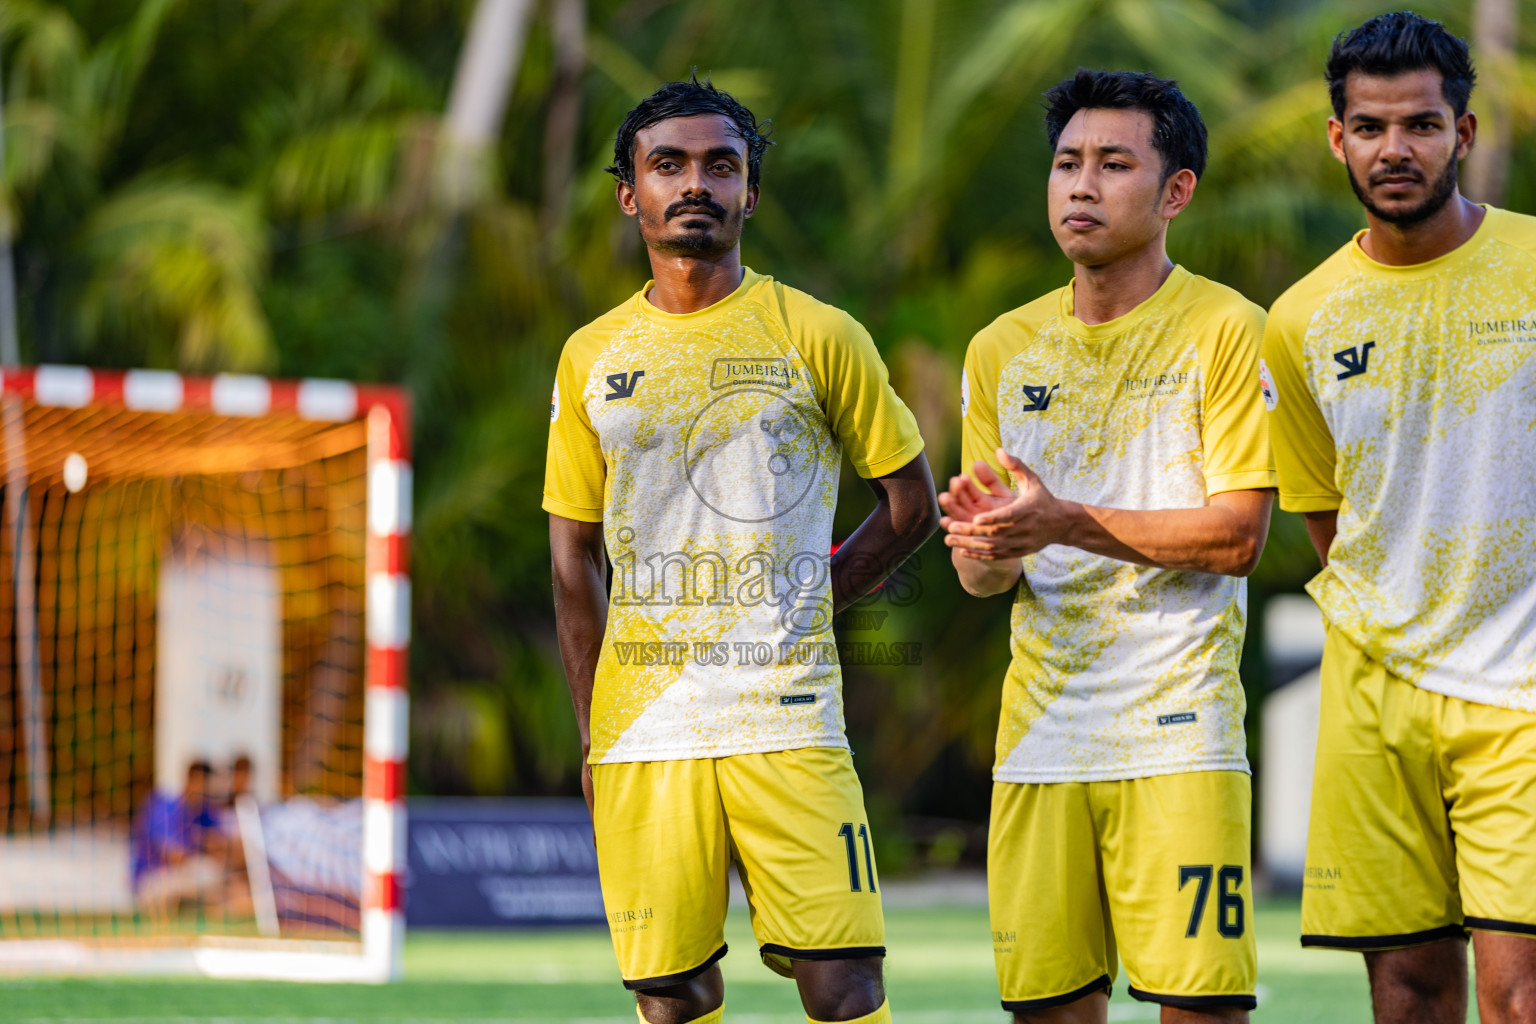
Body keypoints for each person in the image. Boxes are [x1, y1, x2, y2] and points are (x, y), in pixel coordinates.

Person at [545, 73, 938, 1024]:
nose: (695, 183)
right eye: (667, 164)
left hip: (788, 716)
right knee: (671, 993)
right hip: (646, 725)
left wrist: (818, 592)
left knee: (844, 983)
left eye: (721, 166)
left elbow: (911, 503)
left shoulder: (819, 333)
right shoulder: (590, 356)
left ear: (749, 193)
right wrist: (596, 732)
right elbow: (571, 560)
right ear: (627, 192)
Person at [941, 69, 1275, 1023]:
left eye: (1113, 163)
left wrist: (1061, 521)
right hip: (1039, 742)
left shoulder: (1226, 329)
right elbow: (980, 572)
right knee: (1047, 1011)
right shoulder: (1000, 348)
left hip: (1180, 737)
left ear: (1176, 192)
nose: (1080, 186)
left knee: (1199, 1011)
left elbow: (1238, 537)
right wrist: (994, 544)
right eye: (1066, 163)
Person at [1263, 13, 1536, 1024]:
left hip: (1522, 688)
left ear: (1462, 133)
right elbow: (1327, 518)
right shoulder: (1300, 318)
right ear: (1338, 138)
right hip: (1376, 695)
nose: (1395, 150)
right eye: (1370, 128)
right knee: (1410, 991)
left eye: (1420, 125)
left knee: (1521, 997)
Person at [130, 760, 230, 918]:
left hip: (182, 882)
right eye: (206, 786)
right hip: (152, 881)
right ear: (193, 780)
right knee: (209, 873)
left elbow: (225, 849)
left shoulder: (204, 812)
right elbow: (174, 856)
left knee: (219, 878)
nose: (209, 792)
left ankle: (188, 909)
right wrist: (204, 844)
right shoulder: (164, 807)